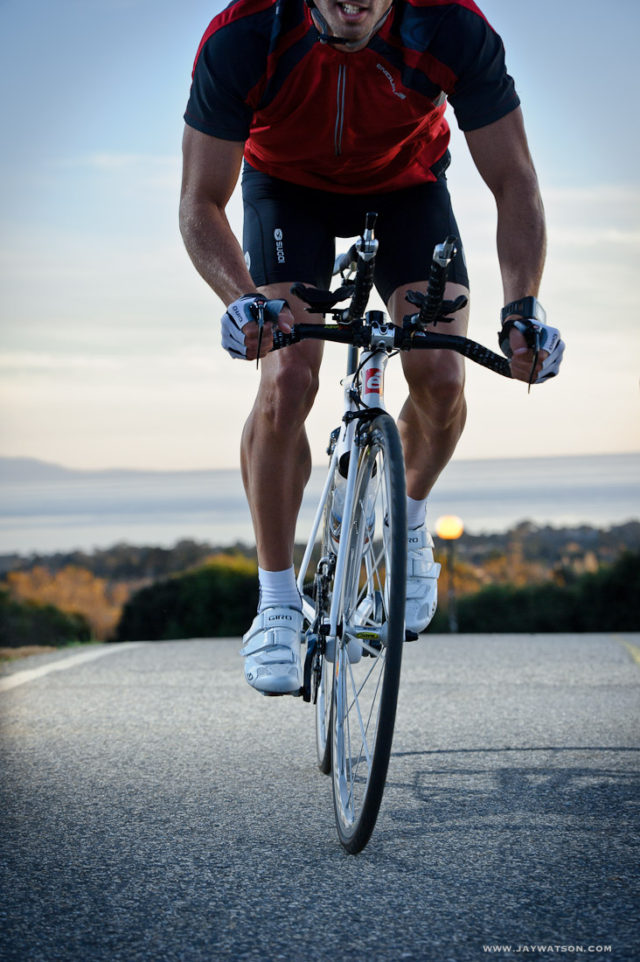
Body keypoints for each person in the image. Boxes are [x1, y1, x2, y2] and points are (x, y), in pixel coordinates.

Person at [179, 0, 565, 695]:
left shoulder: (451, 27)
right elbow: (200, 201)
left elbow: (515, 181)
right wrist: (242, 299)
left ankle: (409, 527)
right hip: (284, 194)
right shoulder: (244, 34)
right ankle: (275, 603)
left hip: (407, 190)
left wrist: (523, 307)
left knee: (442, 375)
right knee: (287, 376)